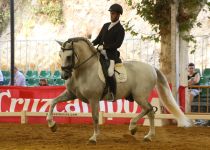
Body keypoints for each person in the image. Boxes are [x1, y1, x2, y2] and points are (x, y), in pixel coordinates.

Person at [92, 3, 125, 99]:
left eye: (114, 14)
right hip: (100, 54)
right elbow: (98, 39)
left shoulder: (120, 29)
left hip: (111, 57)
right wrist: (91, 44)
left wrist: (105, 46)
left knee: (110, 73)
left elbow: (117, 44)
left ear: (119, 15)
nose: (112, 15)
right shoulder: (106, 25)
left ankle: (112, 93)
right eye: (111, 13)